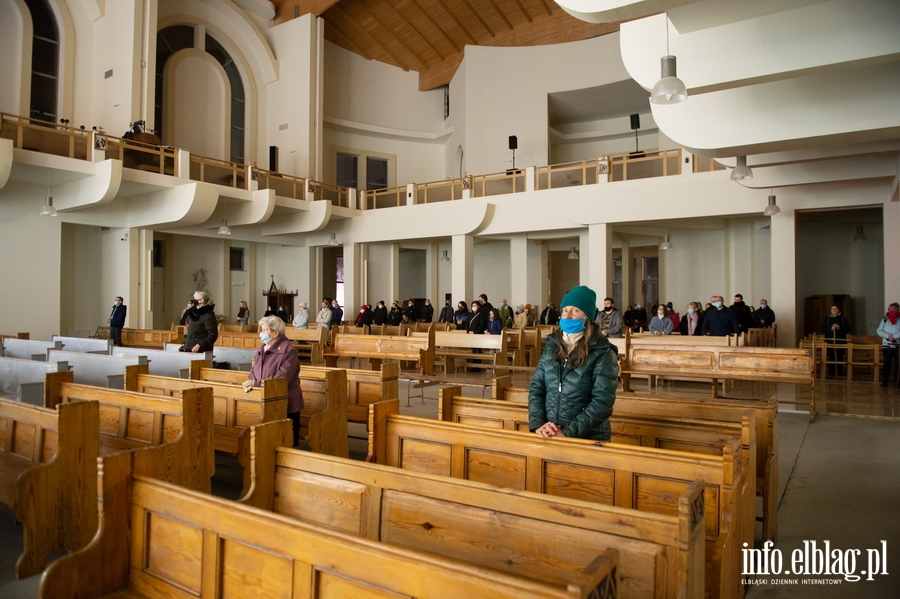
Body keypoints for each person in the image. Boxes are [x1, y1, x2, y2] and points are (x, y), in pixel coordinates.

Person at [528, 285, 618, 441]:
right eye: (565, 310)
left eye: (575, 310)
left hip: (587, 436)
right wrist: (539, 424)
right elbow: (537, 388)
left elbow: (602, 401)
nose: (567, 315)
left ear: (587, 317)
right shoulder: (551, 346)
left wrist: (568, 432)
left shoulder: (602, 352)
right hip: (549, 433)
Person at [244, 316, 302, 446]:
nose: (261, 333)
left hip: (284, 400)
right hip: (265, 395)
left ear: (275, 333)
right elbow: (254, 369)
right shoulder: (263, 348)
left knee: (286, 441)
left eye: (265, 330)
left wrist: (257, 383)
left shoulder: (288, 351)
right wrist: (251, 381)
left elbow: (282, 379)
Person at [821, 304, 851, 377]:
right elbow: (822, 329)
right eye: (832, 309)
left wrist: (839, 327)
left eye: (835, 309)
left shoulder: (843, 319)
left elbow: (848, 329)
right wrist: (831, 328)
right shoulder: (827, 319)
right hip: (829, 341)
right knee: (831, 357)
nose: (833, 310)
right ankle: (831, 373)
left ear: (838, 310)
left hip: (840, 341)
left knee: (839, 357)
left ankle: (839, 373)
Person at [876, 302, 900, 386]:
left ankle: (897, 381)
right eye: (889, 309)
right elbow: (879, 330)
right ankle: (885, 380)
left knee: (898, 364)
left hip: (898, 345)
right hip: (887, 344)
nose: (891, 311)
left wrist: (895, 337)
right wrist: (888, 336)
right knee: (887, 363)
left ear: (897, 310)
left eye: (893, 309)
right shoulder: (884, 320)